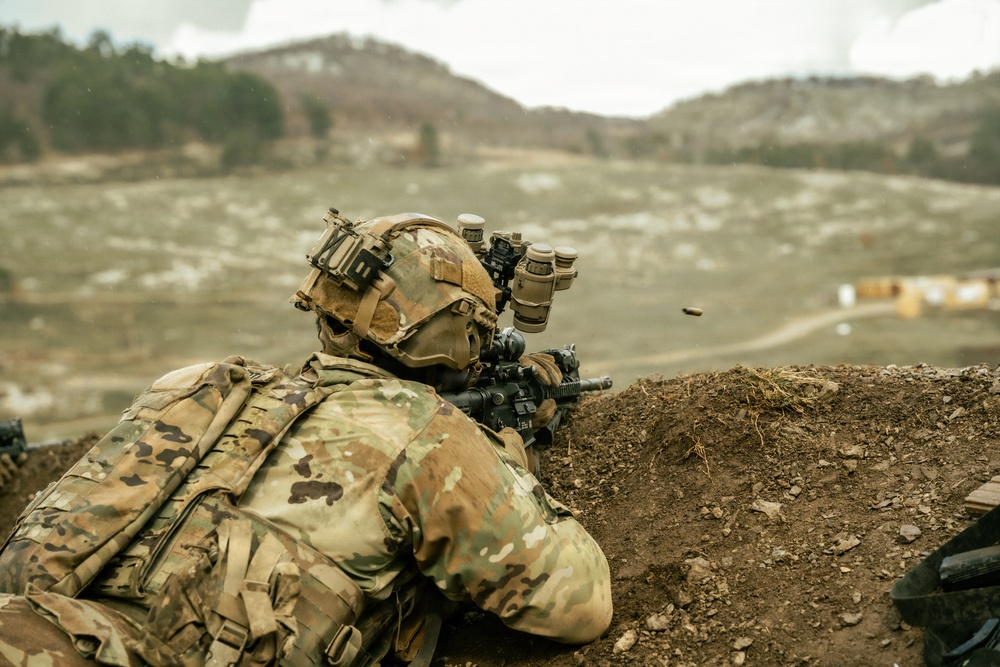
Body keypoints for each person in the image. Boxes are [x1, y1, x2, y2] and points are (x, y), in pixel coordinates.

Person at [0, 209, 613, 666]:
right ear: (453, 333)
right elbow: (576, 605)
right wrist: (510, 468)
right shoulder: (423, 435)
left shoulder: (197, 386)